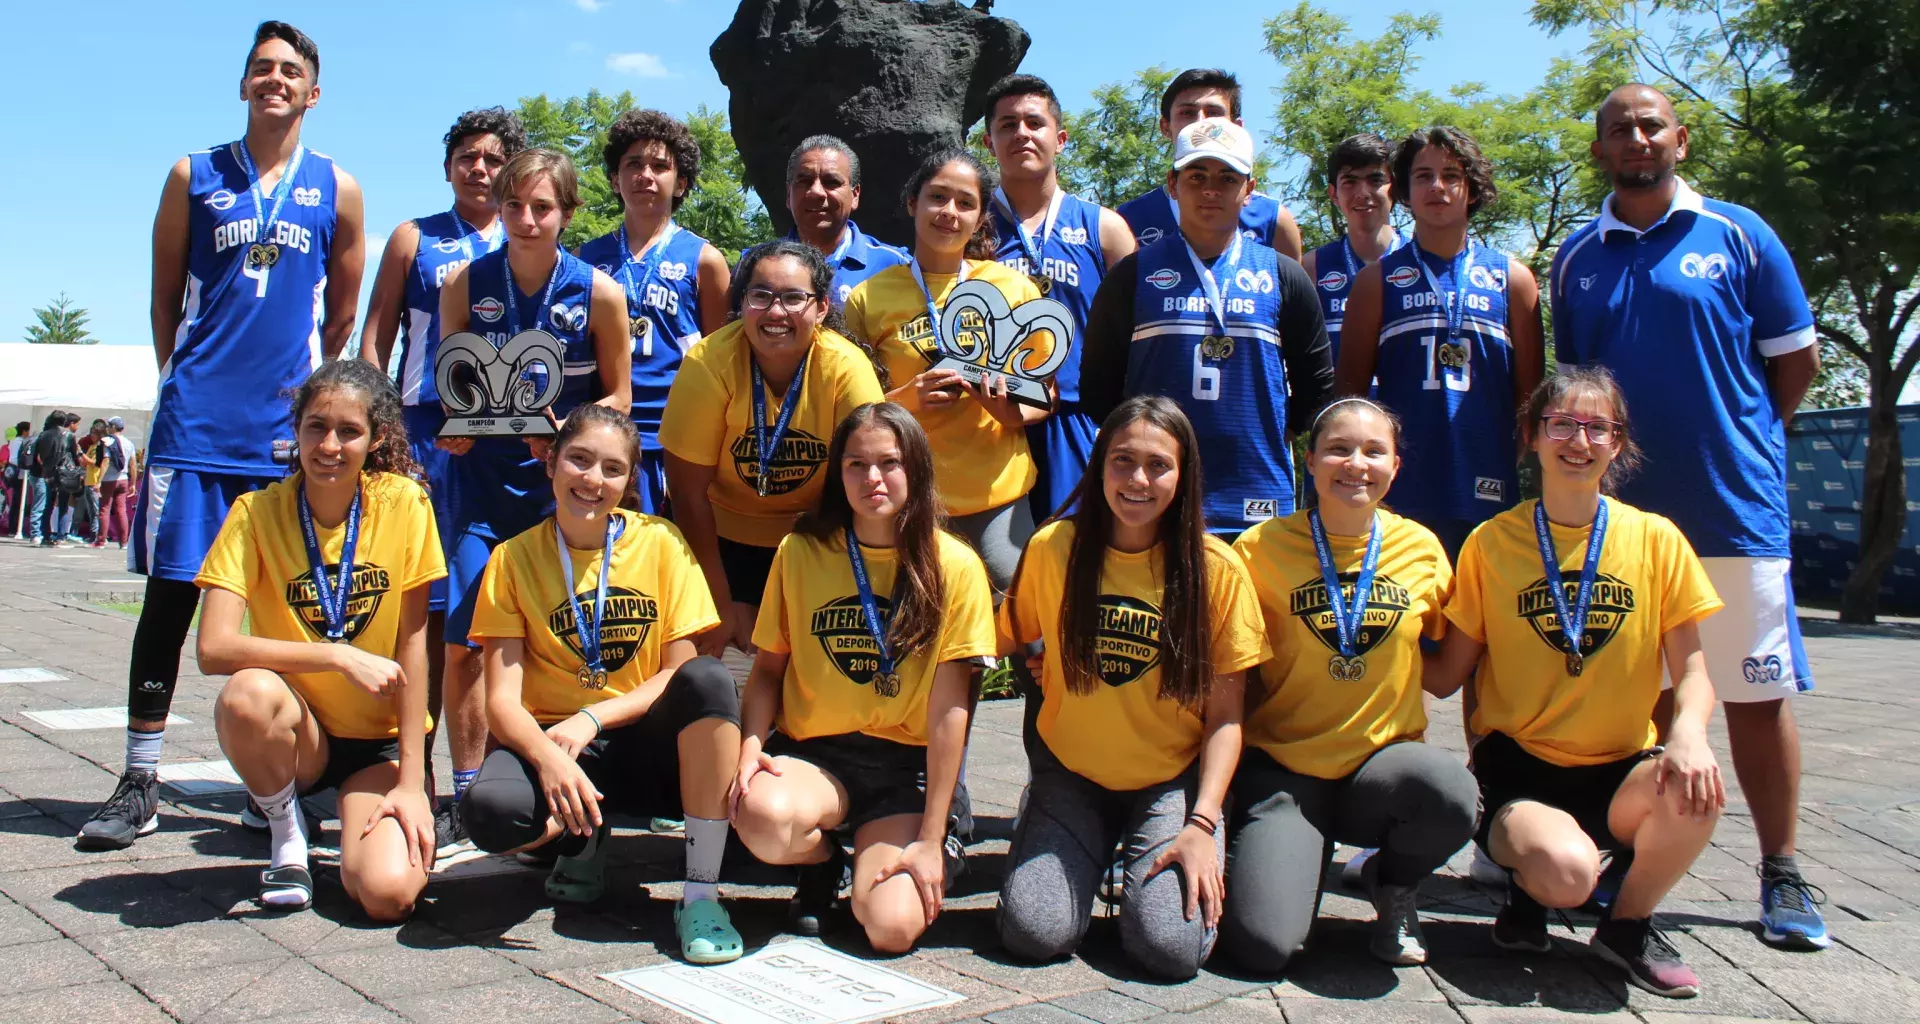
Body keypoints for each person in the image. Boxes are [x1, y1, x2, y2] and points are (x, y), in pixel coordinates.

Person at [1551, 83, 1828, 950]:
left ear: (1679, 137)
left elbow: (1796, 364)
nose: (1635, 138)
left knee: (1753, 691)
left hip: (1732, 511)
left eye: (1648, 124)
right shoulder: (1575, 256)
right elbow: (1579, 392)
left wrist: (1737, 438)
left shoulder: (1741, 234)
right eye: (1617, 130)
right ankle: (1628, 865)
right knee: (1639, 701)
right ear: (1600, 150)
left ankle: (1781, 869)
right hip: (1622, 524)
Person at [82, 21, 368, 850]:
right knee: (171, 598)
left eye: (291, 71)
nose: (275, 80)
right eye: (261, 69)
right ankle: (140, 777)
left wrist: (305, 385)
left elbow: (340, 309)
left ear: (313, 93)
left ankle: (272, 779)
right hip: (199, 424)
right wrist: (189, 377)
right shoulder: (193, 174)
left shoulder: (337, 188)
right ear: (244, 85)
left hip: (284, 434)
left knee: (286, 604)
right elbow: (163, 296)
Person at [1427, 368, 1726, 998]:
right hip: (1521, 769)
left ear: (1618, 444)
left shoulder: (1656, 538)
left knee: (1697, 791)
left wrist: (1690, 734)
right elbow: (1449, 673)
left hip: (1621, 768)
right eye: (1561, 422)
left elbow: (1694, 669)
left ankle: (1627, 928)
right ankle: (1528, 893)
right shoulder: (1491, 542)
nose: (1578, 439)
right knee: (1567, 874)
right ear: (1533, 436)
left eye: (1597, 426)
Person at [459, 404, 744, 965]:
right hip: (558, 742)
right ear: (551, 463)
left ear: (629, 480)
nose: (593, 480)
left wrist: (592, 717)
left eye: (612, 469)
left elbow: (677, 672)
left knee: (710, 679)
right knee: (492, 812)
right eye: (580, 460)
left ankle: (701, 894)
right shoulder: (512, 559)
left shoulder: (661, 541)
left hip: (640, 742)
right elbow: (500, 701)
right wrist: (550, 758)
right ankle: (580, 838)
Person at [996, 396, 1269, 981]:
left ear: (1184, 473)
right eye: (1122, 460)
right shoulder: (1053, 549)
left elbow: (1225, 717)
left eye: (1158, 464)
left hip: (1169, 782)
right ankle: (1065, 836)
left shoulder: (1216, 569)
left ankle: (1150, 861)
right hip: (1072, 772)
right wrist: (1046, 664)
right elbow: (1016, 638)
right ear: (1098, 467)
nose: (1138, 480)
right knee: (1033, 932)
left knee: (1170, 950)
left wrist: (1200, 824)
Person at [1222, 397, 1475, 970]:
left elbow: (1442, 670)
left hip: (1380, 773)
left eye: (1373, 450)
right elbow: (1232, 675)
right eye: (1338, 448)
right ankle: (1291, 851)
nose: (1355, 463)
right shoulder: (1258, 549)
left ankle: (1393, 882)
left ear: (1394, 467)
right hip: (1286, 771)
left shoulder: (1422, 549)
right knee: (1263, 947)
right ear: (1309, 461)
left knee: (1450, 794)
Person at [732, 402, 994, 948]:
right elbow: (766, 672)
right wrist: (749, 747)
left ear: (917, 468)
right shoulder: (802, 551)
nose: (872, 478)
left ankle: (918, 854)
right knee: (761, 816)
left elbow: (952, 710)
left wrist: (930, 835)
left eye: (889, 462)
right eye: (855, 464)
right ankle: (823, 864)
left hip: (905, 768)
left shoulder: (957, 566)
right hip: (818, 753)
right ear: (838, 473)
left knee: (891, 929)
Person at [194, 359, 441, 917]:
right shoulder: (255, 513)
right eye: (315, 427)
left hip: (375, 741)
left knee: (386, 895)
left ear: (376, 439)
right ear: (297, 430)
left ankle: (350, 818)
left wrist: (412, 780)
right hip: (299, 730)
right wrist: (336, 655)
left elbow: (414, 645)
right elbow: (213, 648)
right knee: (246, 694)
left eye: (349, 431)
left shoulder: (405, 502)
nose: (329, 445)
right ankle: (286, 833)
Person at [437, 146, 633, 851]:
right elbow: (451, 386)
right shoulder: (465, 281)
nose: (525, 219)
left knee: (556, 639)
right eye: (514, 205)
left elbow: (618, 396)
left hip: (559, 493)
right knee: (464, 643)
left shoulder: (600, 291)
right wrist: (453, 430)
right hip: (481, 487)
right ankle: (465, 793)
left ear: (568, 214)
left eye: (541, 207)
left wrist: (566, 436)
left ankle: (551, 778)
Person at [360, 106, 528, 853]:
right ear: (449, 164)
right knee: (415, 606)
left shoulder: (529, 237)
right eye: (468, 155)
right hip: (425, 429)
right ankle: (408, 768)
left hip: (503, 441)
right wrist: (380, 426)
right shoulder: (413, 236)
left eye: (495, 159)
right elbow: (376, 334)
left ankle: (481, 779)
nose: (481, 169)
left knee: (476, 609)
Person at [1081, 119, 1335, 537]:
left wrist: (1267, 429)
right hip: (1153, 495)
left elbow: (1317, 385)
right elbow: (1098, 387)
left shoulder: (1283, 274)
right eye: (1197, 176)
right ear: (1173, 183)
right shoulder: (1134, 273)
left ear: (1249, 189)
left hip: (1257, 491)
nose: (1211, 190)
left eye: (1227, 177)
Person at [843, 148, 1056, 595]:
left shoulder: (1012, 288)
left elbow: (1046, 393)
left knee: (1023, 630)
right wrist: (904, 401)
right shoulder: (867, 299)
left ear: (980, 218)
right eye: (937, 197)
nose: (949, 212)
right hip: (906, 500)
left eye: (965, 203)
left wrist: (1012, 411)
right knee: (915, 631)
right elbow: (852, 411)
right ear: (912, 204)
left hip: (997, 498)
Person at [660, 240, 885, 659]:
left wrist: (833, 582)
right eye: (760, 295)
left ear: (820, 308)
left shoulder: (846, 368)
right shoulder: (709, 364)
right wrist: (719, 603)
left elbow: (869, 480)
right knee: (708, 662)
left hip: (813, 536)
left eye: (794, 298)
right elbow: (688, 496)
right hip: (718, 536)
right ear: (741, 303)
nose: (776, 312)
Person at [1335, 127, 1545, 558]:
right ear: (1405, 191)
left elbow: (1531, 398)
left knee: (1480, 616)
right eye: (1423, 175)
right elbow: (1350, 398)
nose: (1437, 186)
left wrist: (1501, 453)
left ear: (1473, 187)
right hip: (1402, 485)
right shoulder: (1376, 281)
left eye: (1451, 174)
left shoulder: (1514, 280)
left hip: (1486, 479)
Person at [980, 73, 1137, 522]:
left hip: (1079, 420)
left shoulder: (1104, 228)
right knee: (1000, 576)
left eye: (1034, 122)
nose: (1021, 133)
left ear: (1061, 138)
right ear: (990, 143)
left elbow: (1137, 338)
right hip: (990, 419)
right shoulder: (970, 227)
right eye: (1007, 125)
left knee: (1073, 561)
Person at [576, 110, 732, 515]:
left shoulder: (705, 260)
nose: (646, 174)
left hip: (675, 432)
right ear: (615, 179)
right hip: (603, 427)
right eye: (633, 164)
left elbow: (721, 358)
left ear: (680, 182)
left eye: (660, 166)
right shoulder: (586, 259)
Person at [1115, 69, 1303, 261]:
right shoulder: (1129, 219)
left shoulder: (1274, 219)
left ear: (1236, 126)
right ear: (1165, 127)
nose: (1201, 122)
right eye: (1187, 113)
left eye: (1214, 113)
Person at [1302, 134, 1406, 364]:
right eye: (1350, 181)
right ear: (1333, 194)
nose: (1362, 193)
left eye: (1375, 180)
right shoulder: (1311, 268)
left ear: (1395, 188)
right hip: (1341, 400)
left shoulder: (1420, 258)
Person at [783, 135, 909, 305]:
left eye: (831, 182)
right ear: (788, 194)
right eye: (804, 181)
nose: (816, 192)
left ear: (855, 195)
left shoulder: (897, 265)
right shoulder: (754, 265)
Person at [29, 412, 76, 550]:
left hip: (48, 473)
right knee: (63, 505)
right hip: (65, 473)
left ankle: (45, 535)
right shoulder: (69, 435)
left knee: (48, 505)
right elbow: (74, 455)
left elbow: (40, 456)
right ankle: (61, 536)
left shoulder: (44, 435)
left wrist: (47, 467)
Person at [97, 418, 133, 549]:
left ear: (113, 427)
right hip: (123, 479)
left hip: (109, 479)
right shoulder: (129, 443)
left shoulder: (109, 441)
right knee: (121, 511)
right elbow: (133, 464)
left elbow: (105, 461)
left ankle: (101, 541)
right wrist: (133, 483)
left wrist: (98, 481)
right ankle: (124, 542)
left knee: (105, 509)